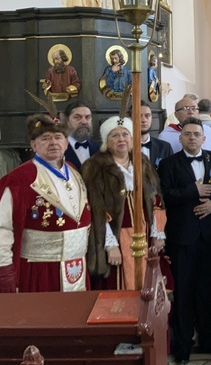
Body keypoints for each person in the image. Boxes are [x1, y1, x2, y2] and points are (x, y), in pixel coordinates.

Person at [0, 114, 91, 293]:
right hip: (38, 272)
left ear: (66, 143)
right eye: (45, 138)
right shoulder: (18, 179)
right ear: (33, 145)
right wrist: (4, 272)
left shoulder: (75, 172)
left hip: (77, 269)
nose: (53, 143)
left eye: (58, 137)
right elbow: (1, 229)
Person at [159, 117, 211, 364]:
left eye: (196, 134)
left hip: (210, 237)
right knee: (184, 292)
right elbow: (165, 195)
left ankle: (208, 339)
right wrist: (193, 191)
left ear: (203, 137)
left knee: (207, 291)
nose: (191, 138)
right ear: (180, 138)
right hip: (182, 238)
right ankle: (183, 344)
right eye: (187, 134)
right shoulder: (168, 164)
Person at [82, 116, 165, 290]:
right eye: (115, 135)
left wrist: (158, 234)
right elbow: (97, 209)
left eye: (125, 134)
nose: (121, 139)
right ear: (106, 141)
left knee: (148, 285)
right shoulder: (95, 166)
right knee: (122, 287)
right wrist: (111, 245)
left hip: (145, 233)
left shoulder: (141, 162)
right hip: (118, 236)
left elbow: (156, 200)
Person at [62, 101, 100, 170]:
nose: (84, 122)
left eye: (87, 117)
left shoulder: (100, 149)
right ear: (67, 120)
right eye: (77, 117)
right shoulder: (58, 149)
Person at [138, 101, 173, 169]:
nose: (144, 120)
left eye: (147, 116)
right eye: (139, 116)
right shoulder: (125, 147)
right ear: (130, 119)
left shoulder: (165, 147)